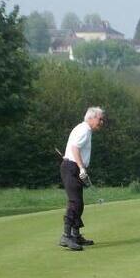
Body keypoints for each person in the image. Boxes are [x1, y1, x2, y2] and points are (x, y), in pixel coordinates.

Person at [60, 107, 105, 251]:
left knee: (79, 203)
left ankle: (76, 235)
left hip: (72, 166)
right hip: (72, 167)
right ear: (91, 118)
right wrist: (81, 167)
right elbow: (75, 148)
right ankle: (66, 236)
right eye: (100, 119)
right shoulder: (85, 129)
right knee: (75, 202)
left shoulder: (83, 129)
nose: (102, 122)